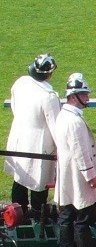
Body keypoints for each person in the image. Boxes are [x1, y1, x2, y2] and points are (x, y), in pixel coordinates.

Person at [54, 73, 96, 247]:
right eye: (84, 94)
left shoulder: (63, 116)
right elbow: (80, 152)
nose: (87, 98)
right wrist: (91, 175)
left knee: (67, 213)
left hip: (68, 173)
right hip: (78, 174)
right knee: (83, 216)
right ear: (74, 96)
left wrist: (93, 146)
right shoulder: (74, 121)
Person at [4, 53, 60, 221]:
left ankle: (17, 216)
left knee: (19, 179)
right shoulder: (49, 97)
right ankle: (37, 215)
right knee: (39, 183)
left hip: (19, 137)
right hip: (39, 144)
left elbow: (15, 107)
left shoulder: (20, 83)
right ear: (49, 74)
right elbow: (56, 126)